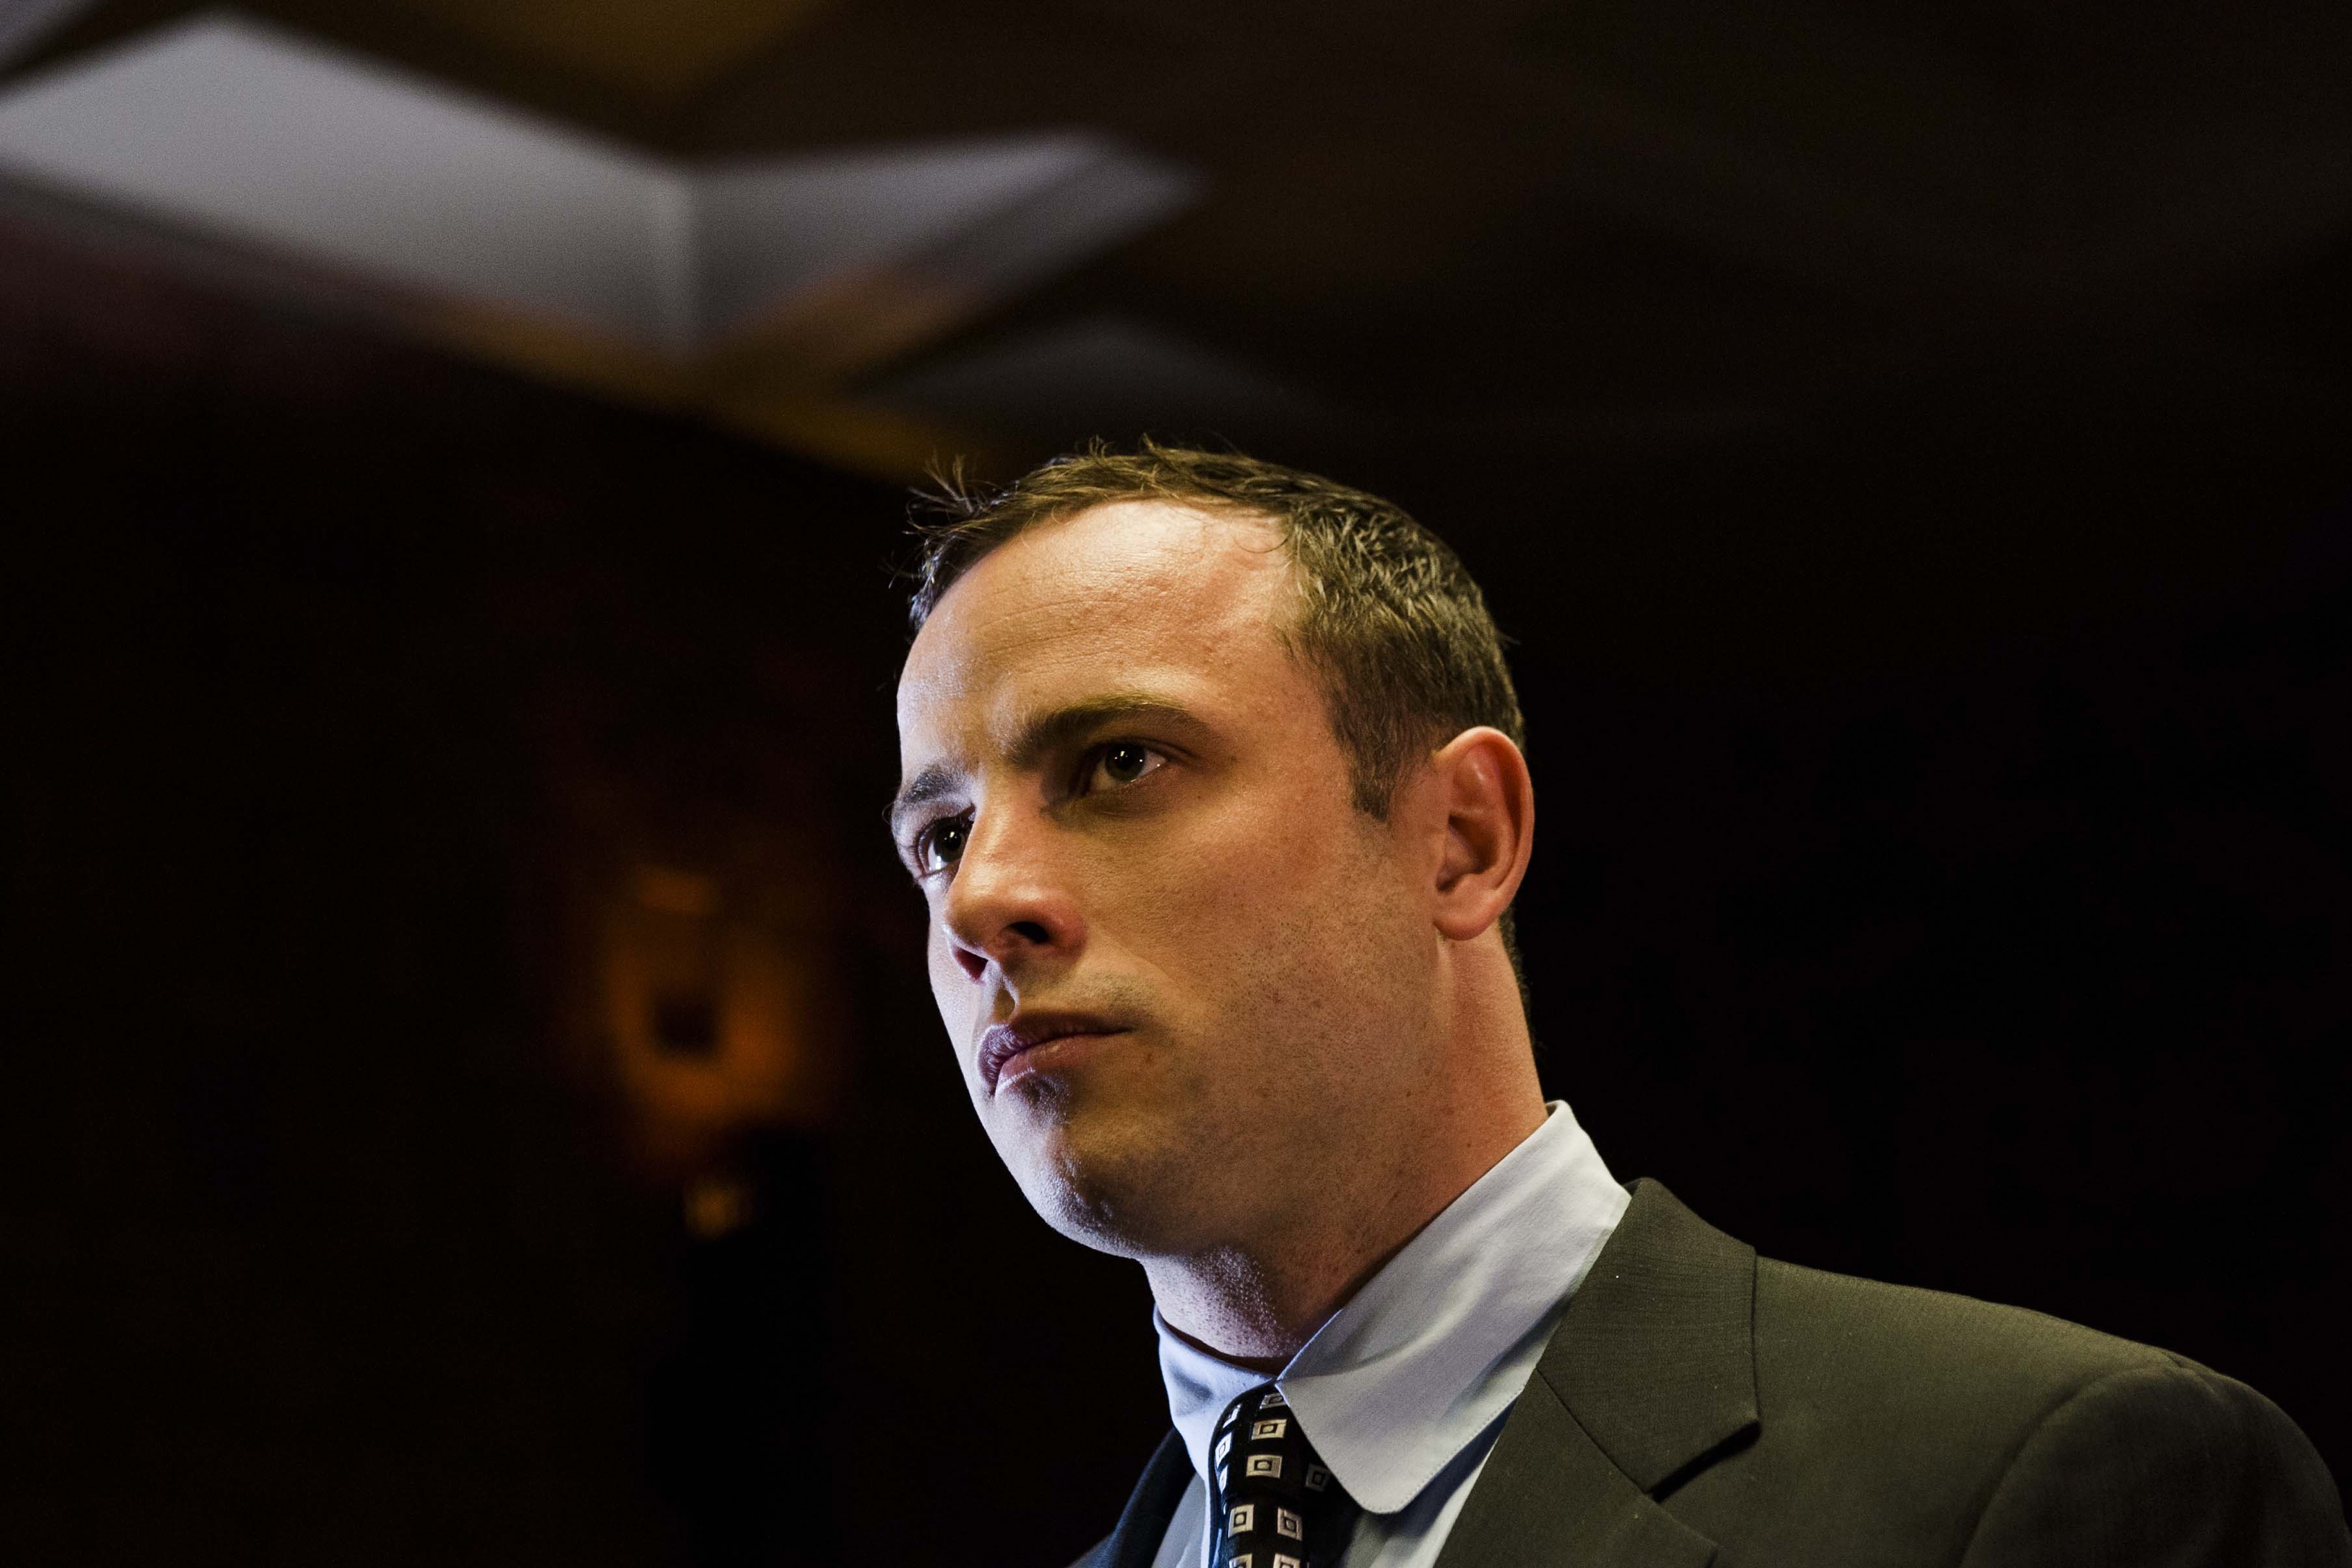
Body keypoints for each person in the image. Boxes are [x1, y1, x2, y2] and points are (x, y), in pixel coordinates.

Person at [887, 443, 2348, 1568]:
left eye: (1121, 763)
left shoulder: (2044, 1477)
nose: (979, 899)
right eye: (942, 836)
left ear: (1460, 839)